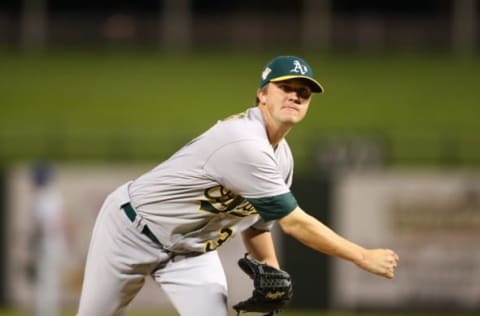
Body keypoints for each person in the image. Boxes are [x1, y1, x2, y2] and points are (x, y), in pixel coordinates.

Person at [77, 56, 399, 316]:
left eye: (304, 91)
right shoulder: (244, 141)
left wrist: (272, 270)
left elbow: (258, 226)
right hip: (132, 230)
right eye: (285, 86)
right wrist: (361, 256)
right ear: (261, 94)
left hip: (191, 251)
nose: (296, 95)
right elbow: (295, 223)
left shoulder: (281, 158)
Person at [30, 163, 67, 316]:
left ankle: (46, 313)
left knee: (47, 281)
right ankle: (46, 312)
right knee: (47, 281)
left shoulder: (47, 196)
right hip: (50, 241)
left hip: (47, 241)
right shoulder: (51, 194)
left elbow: (50, 223)